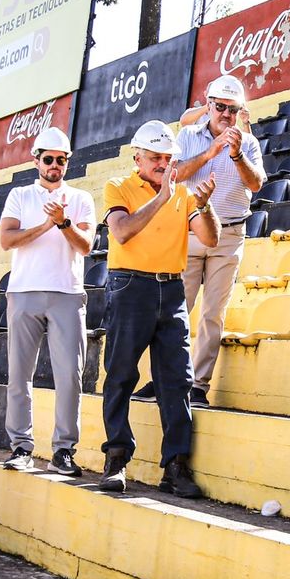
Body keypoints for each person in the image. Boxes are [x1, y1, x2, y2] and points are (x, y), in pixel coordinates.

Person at [99, 120, 217, 498]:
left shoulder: (182, 194)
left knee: (177, 379)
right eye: (155, 158)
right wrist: (163, 197)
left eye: (168, 159)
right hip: (130, 286)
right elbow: (122, 231)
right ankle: (116, 459)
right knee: (121, 374)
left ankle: (175, 465)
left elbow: (210, 238)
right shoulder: (118, 186)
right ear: (137, 158)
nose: (163, 164)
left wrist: (204, 206)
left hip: (172, 289)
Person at [0, 127, 96, 475]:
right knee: (18, 375)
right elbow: (6, 240)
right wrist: (45, 225)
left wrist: (63, 222)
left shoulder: (81, 198)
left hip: (67, 293)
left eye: (61, 160)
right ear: (36, 160)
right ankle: (21, 447)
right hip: (24, 291)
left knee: (69, 376)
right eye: (49, 159)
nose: (55, 165)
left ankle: (64, 450)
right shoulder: (20, 195)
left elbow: (86, 246)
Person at [172, 74, 266, 407]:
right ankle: (169, 378)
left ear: (240, 111)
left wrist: (237, 155)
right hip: (188, 230)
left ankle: (198, 386)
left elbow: (256, 184)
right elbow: (173, 174)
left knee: (212, 314)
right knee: (176, 311)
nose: (226, 114)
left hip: (229, 234)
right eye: (221, 107)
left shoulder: (248, 143)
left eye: (233, 109)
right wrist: (210, 152)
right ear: (209, 105)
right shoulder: (187, 135)